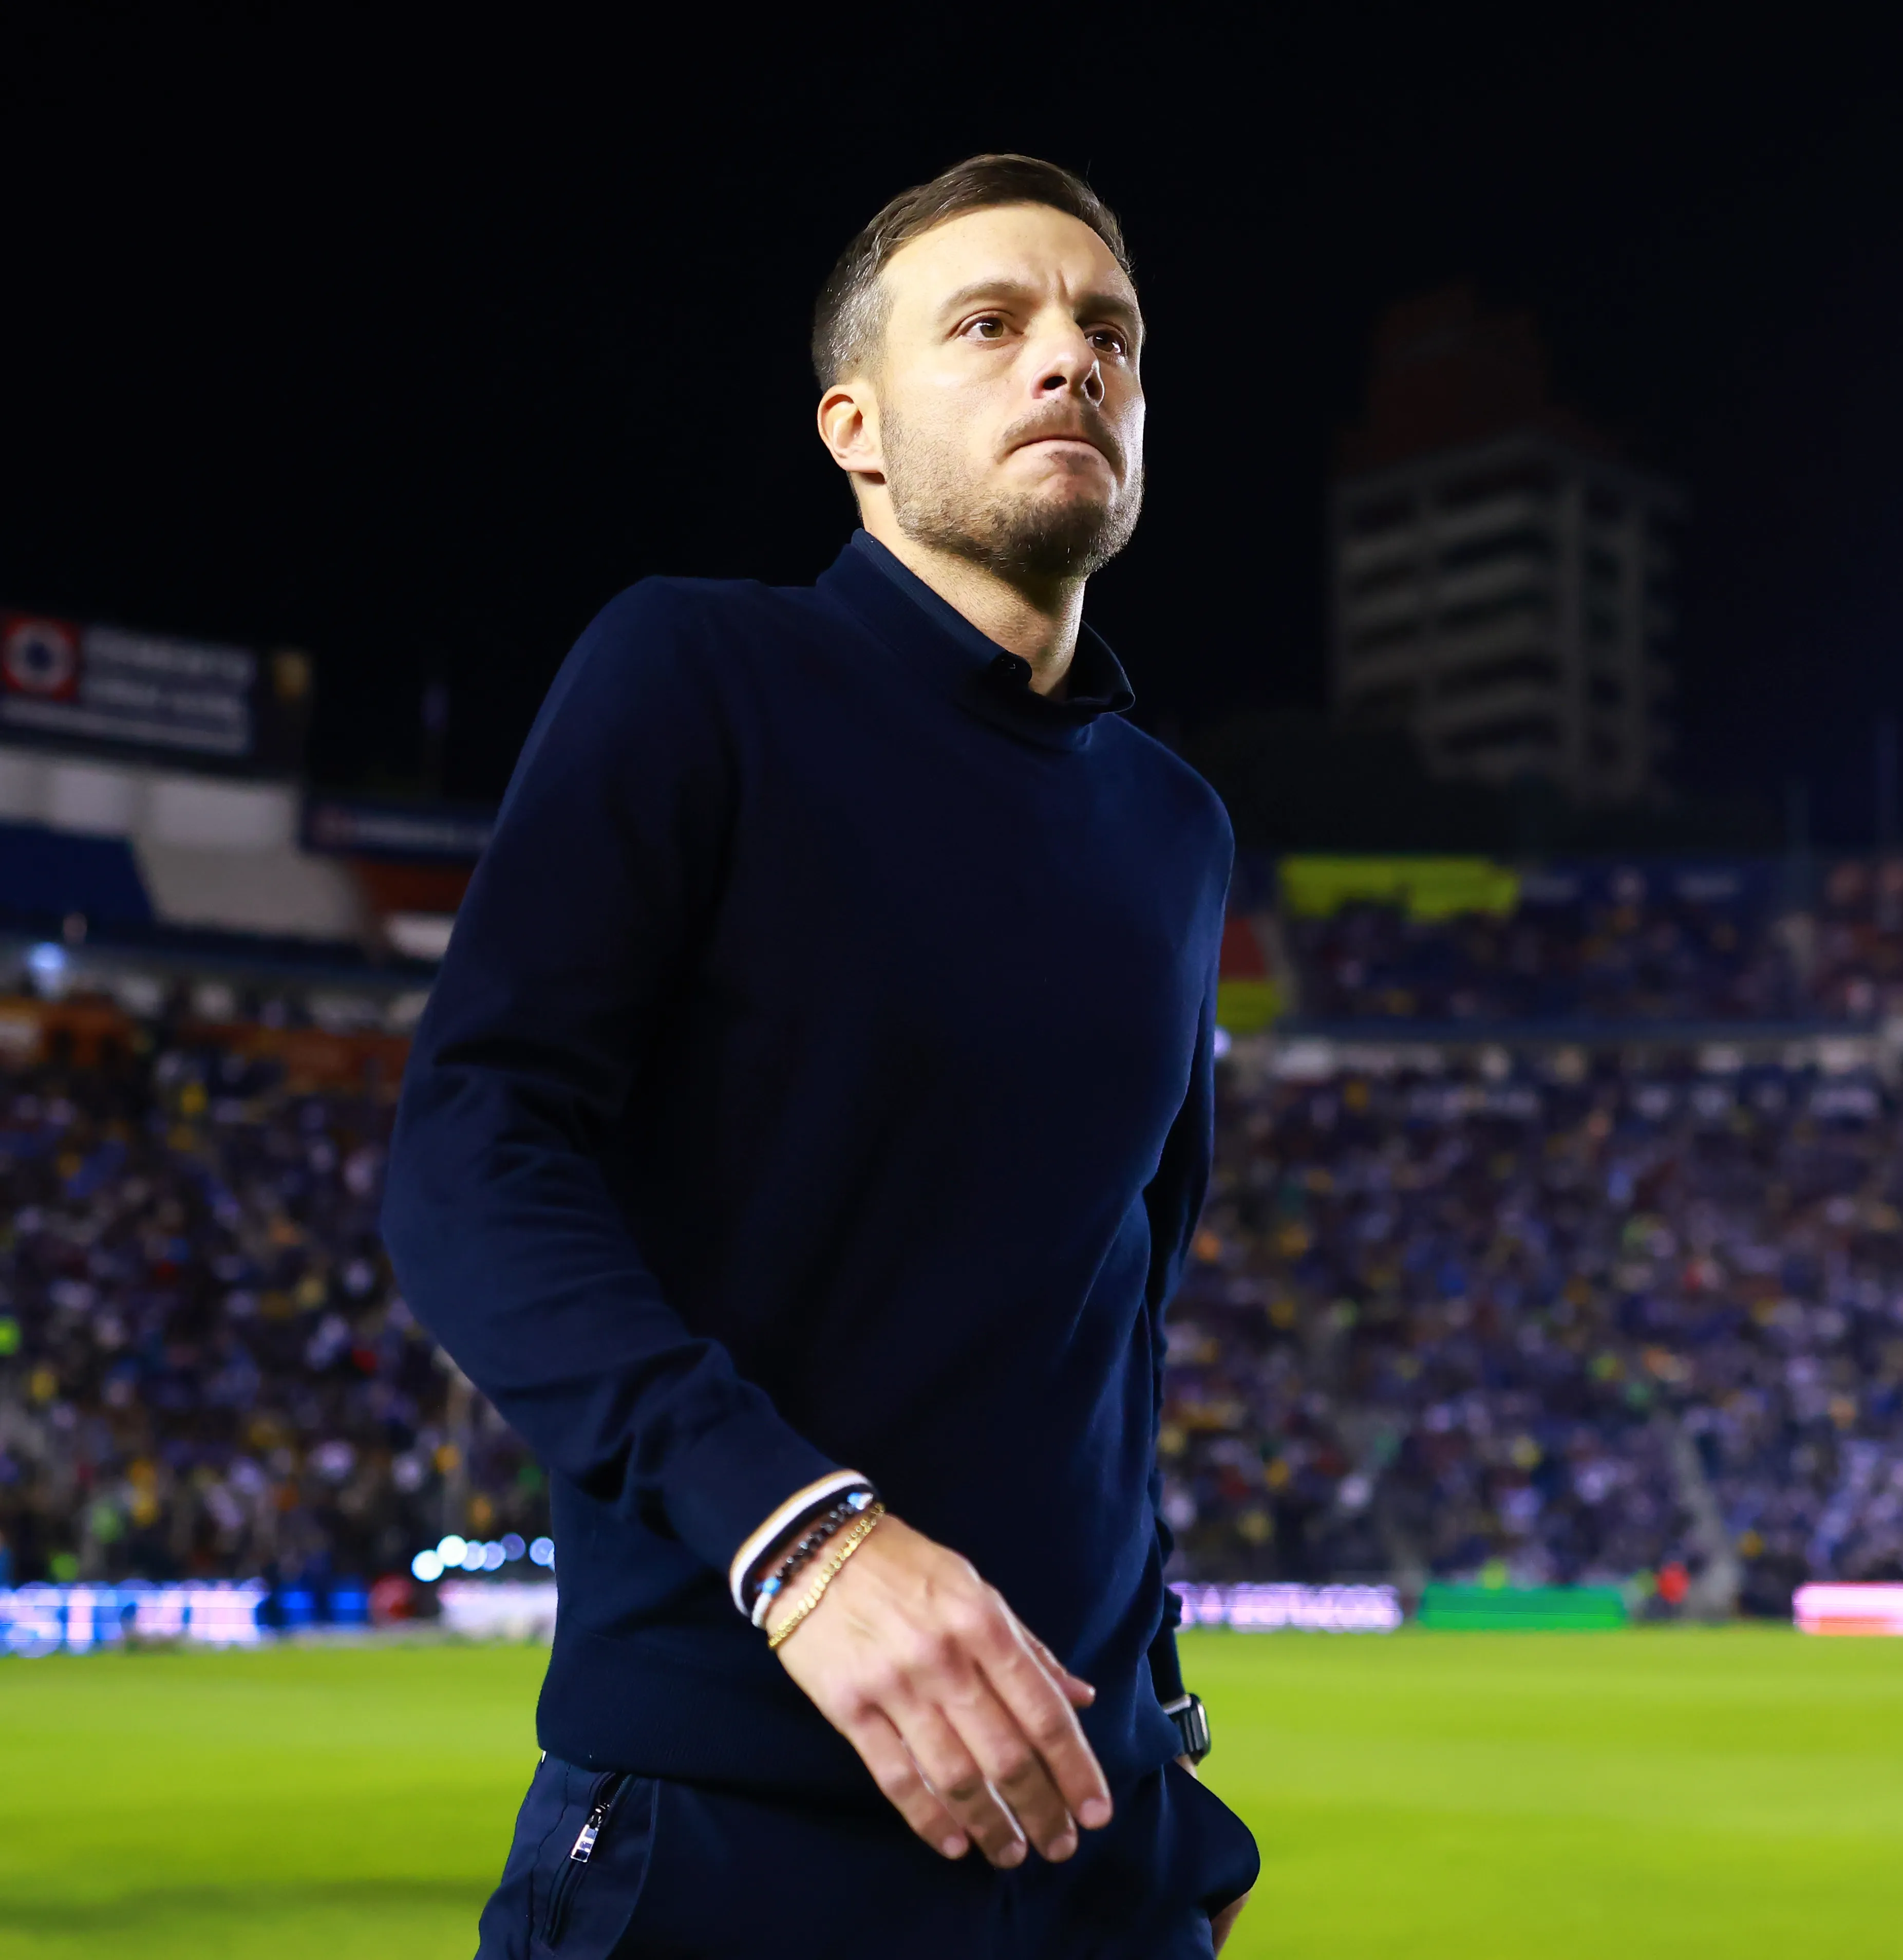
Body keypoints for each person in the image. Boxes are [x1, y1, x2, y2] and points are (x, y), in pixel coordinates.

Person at [383, 154, 1256, 1956]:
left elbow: (1121, 1306)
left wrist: (1156, 1742)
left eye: (1111, 335)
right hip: (728, 1825)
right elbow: (472, 1152)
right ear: (855, 428)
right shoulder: (694, 671)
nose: (1068, 361)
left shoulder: (1178, 828)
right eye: (991, 324)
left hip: (1095, 1838)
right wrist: (800, 1535)